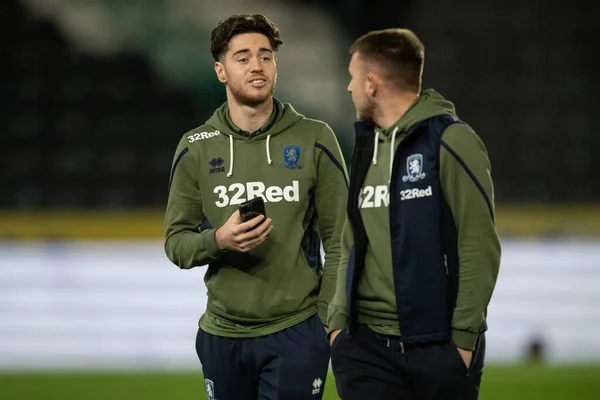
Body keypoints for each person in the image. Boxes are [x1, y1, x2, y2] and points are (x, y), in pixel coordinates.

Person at [164, 14, 348, 400]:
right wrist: (219, 240)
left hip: (297, 332)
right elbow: (176, 244)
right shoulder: (196, 146)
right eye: (243, 57)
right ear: (220, 71)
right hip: (222, 335)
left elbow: (341, 241)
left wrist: (327, 322)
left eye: (266, 56)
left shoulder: (315, 138)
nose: (257, 66)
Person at [327, 28, 501, 400]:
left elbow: (478, 244)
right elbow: (349, 239)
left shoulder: (452, 140)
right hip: (364, 349)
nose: (349, 88)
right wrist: (338, 324)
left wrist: (464, 341)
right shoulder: (364, 145)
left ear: (372, 84)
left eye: (353, 78)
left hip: (437, 347)